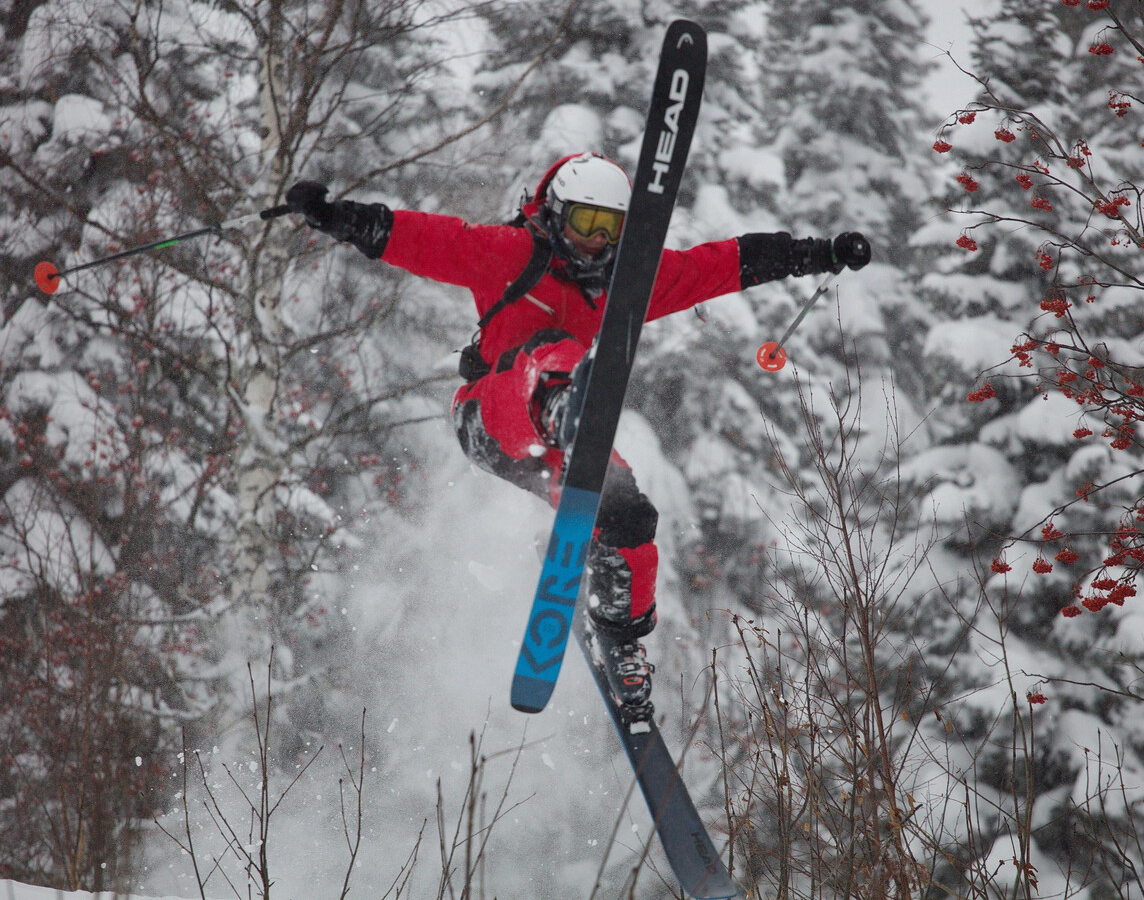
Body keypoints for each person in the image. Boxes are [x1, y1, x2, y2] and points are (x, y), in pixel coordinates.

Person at [285, 152, 871, 722]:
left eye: (610, 228)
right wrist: (340, 217)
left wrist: (818, 254)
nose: (597, 240)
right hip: (493, 414)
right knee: (555, 355)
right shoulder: (509, 254)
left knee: (630, 513)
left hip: (565, 441)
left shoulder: (628, 280)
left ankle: (621, 637)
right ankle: (563, 402)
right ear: (555, 215)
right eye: (586, 223)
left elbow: (720, 264)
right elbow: (423, 238)